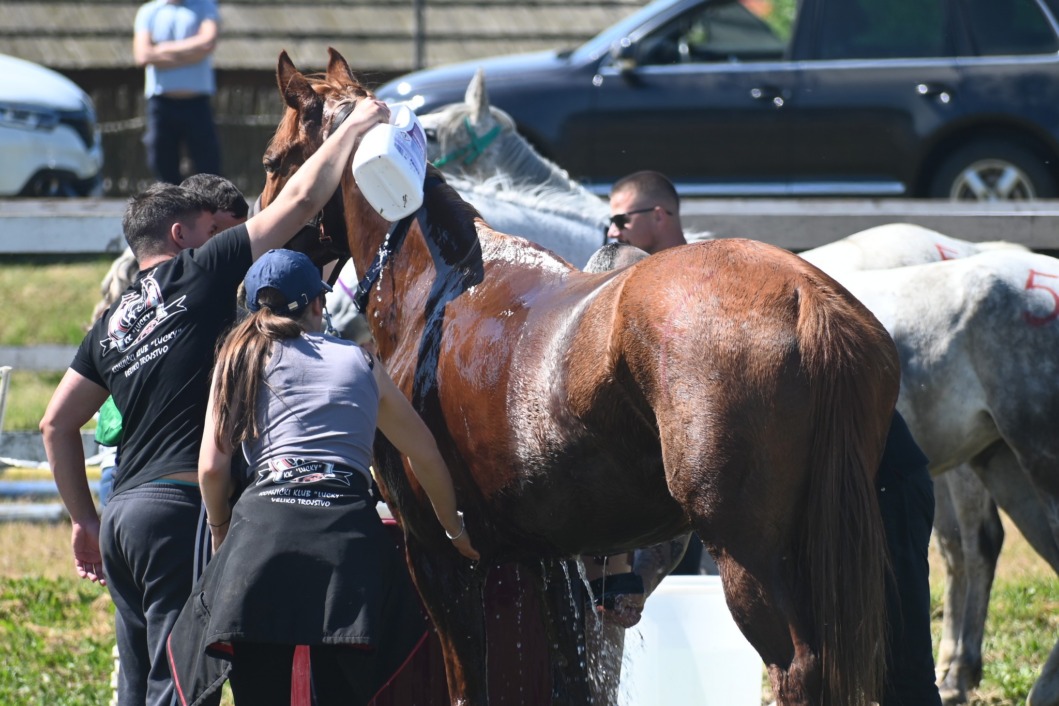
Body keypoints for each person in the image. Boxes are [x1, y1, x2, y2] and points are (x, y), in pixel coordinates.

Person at [40, 97, 391, 706]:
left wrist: (83, 521)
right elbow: (298, 201)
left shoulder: (113, 325)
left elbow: (54, 423)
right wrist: (355, 126)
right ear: (182, 235)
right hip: (177, 515)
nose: (222, 240)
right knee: (180, 686)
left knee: (137, 686)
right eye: (212, 231)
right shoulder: (197, 274)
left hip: (122, 519)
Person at [598, 169, 942, 705]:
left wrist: (635, 576)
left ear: (659, 216)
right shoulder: (714, 291)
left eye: (621, 219)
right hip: (866, 482)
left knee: (898, 676)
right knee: (865, 671)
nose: (612, 230)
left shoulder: (711, 300)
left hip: (877, 482)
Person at [170, 249, 478, 705]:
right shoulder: (360, 361)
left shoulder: (238, 358)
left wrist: (221, 534)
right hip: (347, 546)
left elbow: (213, 469)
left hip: (260, 541)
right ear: (318, 304)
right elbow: (425, 454)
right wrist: (454, 529)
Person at [133, 0, 222, 184]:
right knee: (162, 165)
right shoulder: (148, 12)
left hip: (197, 103)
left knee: (209, 168)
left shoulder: (205, 6)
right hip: (161, 103)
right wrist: (191, 54)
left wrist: (162, 49)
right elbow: (142, 55)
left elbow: (207, 42)